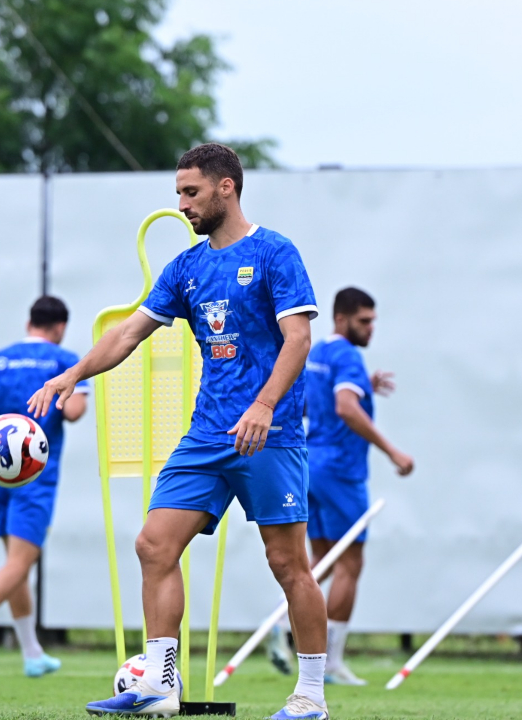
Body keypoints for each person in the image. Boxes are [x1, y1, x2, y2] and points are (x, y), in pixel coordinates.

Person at [29, 143, 330, 720]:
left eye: (191, 192)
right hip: (207, 435)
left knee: (289, 564)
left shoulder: (275, 252)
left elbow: (298, 340)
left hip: (271, 433)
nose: (183, 204)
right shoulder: (186, 267)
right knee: (152, 545)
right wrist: (71, 373)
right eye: (178, 194)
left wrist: (265, 405)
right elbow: (126, 335)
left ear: (226, 188)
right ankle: (159, 684)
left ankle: (311, 696)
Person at [267, 287, 414, 685]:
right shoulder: (348, 355)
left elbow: (310, 404)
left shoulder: (318, 354)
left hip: (312, 466)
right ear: (342, 318)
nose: (371, 329)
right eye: (364, 321)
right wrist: (392, 452)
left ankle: (281, 623)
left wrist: (364, 382)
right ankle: (330, 662)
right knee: (351, 563)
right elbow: (345, 407)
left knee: (319, 558)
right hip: (342, 471)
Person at [0, 295, 87, 678]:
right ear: (59, 327)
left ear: (30, 322)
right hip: (36, 474)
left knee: (16, 563)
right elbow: (74, 412)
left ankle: (31, 653)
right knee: (21, 562)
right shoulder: (65, 360)